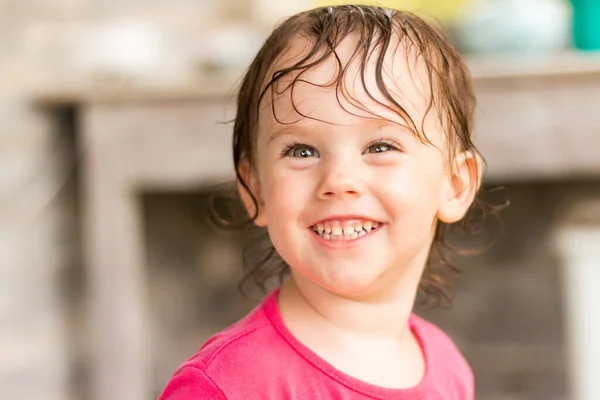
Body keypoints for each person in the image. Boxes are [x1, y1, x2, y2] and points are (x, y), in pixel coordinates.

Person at [159, 5, 483, 399]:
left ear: (454, 185)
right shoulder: (226, 387)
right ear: (254, 189)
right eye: (301, 151)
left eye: (380, 146)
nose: (338, 181)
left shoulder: (449, 370)